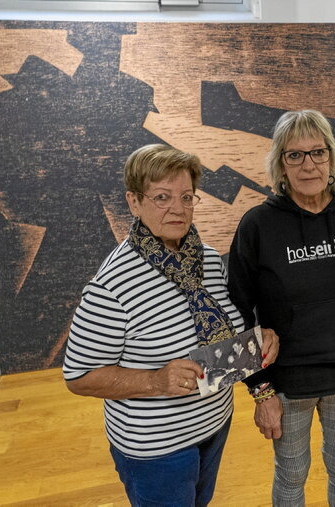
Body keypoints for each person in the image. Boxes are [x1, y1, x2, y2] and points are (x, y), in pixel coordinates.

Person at [62, 144, 278, 506]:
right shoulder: (111, 286)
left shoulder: (207, 259)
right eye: (162, 197)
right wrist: (155, 380)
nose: (177, 208)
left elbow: (217, 335)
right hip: (156, 450)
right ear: (134, 202)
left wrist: (259, 341)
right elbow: (79, 376)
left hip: (213, 426)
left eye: (186, 196)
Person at [227, 109, 335, 506]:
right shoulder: (258, 225)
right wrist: (260, 390)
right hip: (288, 384)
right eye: (295, 155)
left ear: (332, 157)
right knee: (291, 476)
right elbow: (235, 312)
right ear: (280, 164)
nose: (308, 165)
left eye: (317, 152)